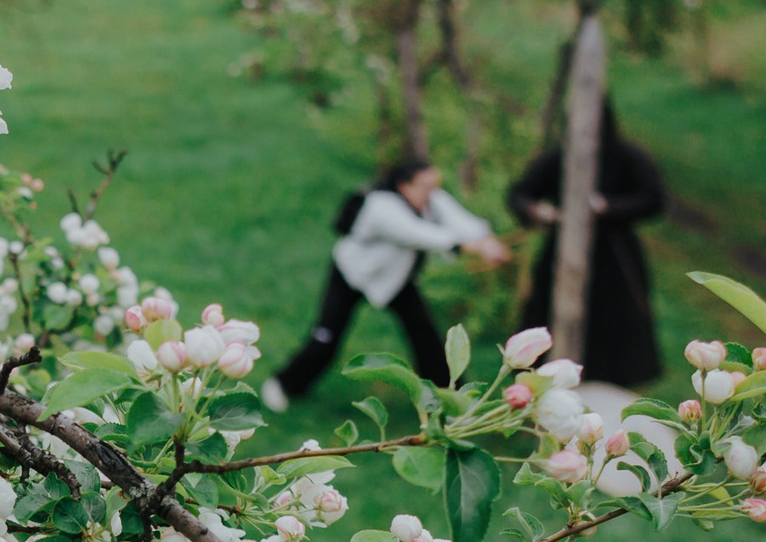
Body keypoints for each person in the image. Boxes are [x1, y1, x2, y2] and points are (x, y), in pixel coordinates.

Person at [261, 159, 511, 412]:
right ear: (404, 186)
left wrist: (488, 242)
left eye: (434, 186)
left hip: (396, 279)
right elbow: (419, 234)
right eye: (425, 187)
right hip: (352, 275)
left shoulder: (430, 199)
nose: (432, 194)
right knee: (326, 338)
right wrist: (476, 247)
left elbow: (461, 221)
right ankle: (283, 384)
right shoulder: (380, 207)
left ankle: (453, 402)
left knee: (427, 338)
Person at [505, 101, 666, 387]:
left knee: (615, 322)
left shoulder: (627, 157)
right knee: (551, 314)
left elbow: (653, 199)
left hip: (614, 254)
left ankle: (612, 387)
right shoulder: (559, 157)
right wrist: (537, 211)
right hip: (563, 251)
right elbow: (519, 193)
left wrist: (608, 206)